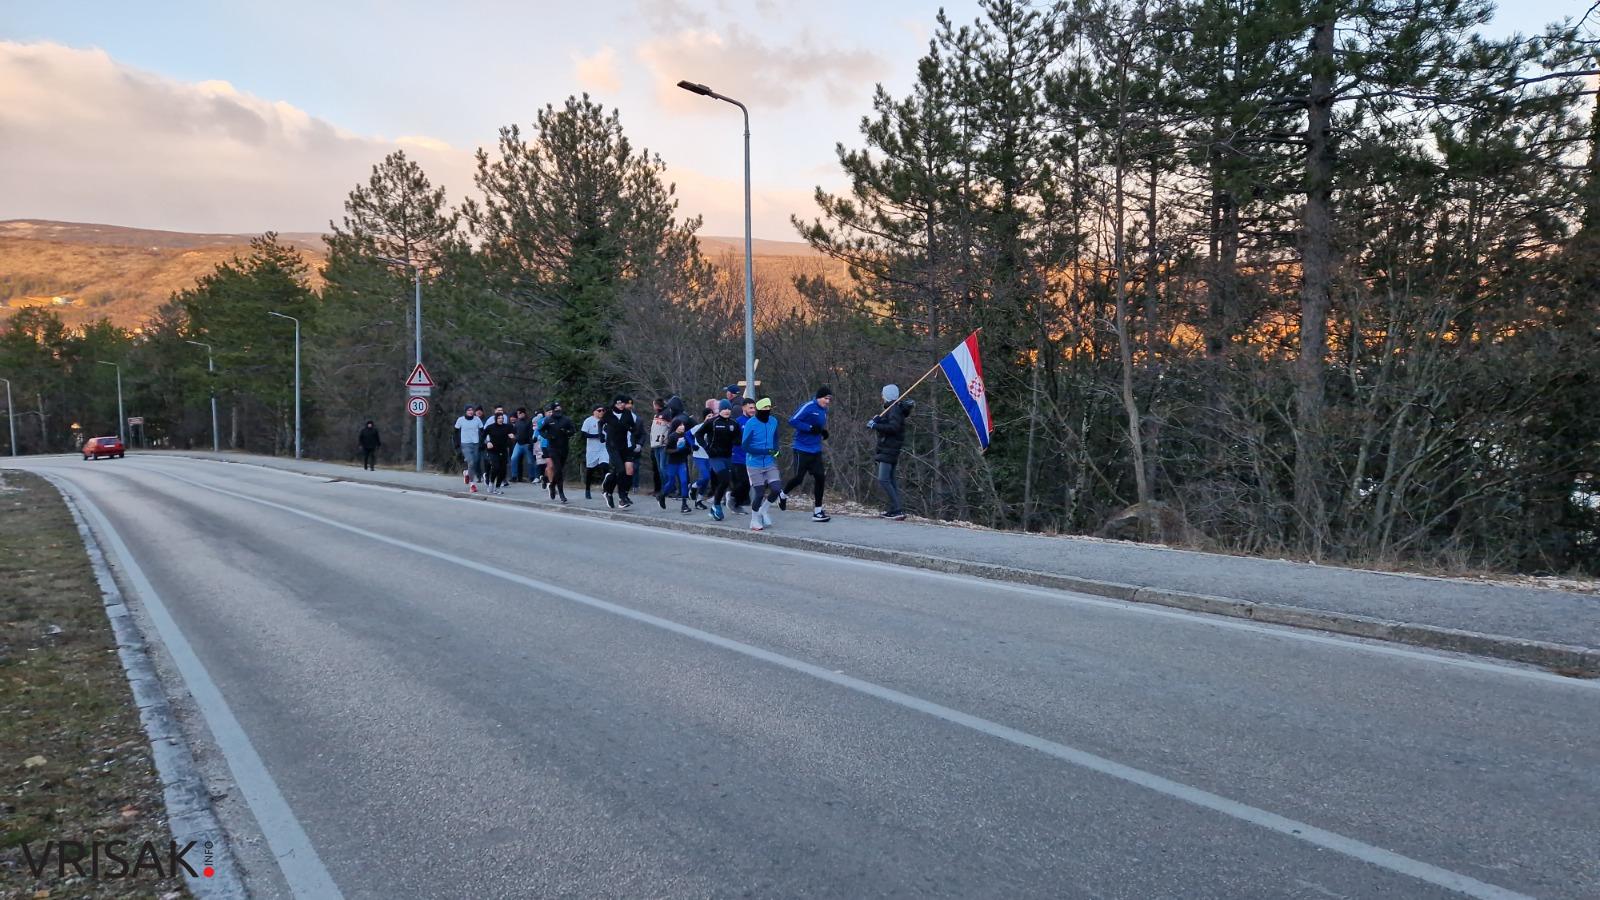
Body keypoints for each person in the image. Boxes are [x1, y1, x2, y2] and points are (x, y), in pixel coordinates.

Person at [781, 385, 833, 522]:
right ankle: (783, 494)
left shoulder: (824, 410)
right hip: (802, 449)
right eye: (826, 398)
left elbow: (817, 426)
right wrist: (809, 428)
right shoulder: (808, 406)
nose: (827, 401)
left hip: (815, 450)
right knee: (798, 478)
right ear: (819, 397)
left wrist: (822, 431)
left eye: (829, 399)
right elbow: (793, 421)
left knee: (820, 478)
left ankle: (817, 511)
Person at [867, 384, 914, 520]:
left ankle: (897, 509)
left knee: (883, 479)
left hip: (889, 448)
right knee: (891, 480)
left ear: (887, 395)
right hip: (890, 448)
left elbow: (893, 428)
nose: (881, 396)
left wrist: (875, 425)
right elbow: (891, 423)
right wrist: (879, 419)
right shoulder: (894, 409)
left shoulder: (894, 409)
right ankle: (894, 509)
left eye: (883, 394)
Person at [741, 397, 784, 531]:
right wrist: (764, 451)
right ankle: (754, 521)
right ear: (758, 409)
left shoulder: (773, 421)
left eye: (769, 408)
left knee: (776, 489)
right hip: (754, 463)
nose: (767, 410)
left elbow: (776, 438)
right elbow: (745, 446)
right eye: (764, 408)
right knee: (759, 493)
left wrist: (776, 451)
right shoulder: (751, 423)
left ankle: (763, 511)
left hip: (770, 462)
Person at [700, 400, 741, 521]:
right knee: (724, 479)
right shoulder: (712, 422)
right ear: (720, 410)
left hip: (728, 456)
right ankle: (716, 505)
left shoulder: (734, 423)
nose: (727, 411)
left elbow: (738, 437)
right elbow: (698, 434)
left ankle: (714, 505)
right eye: (724, 409)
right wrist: (706, 447)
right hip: (715, 456)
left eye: (728, 409)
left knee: (727, 482)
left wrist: (736, 441)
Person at [601, 394, 640, 508]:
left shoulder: (627, 414)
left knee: (628, 471)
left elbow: (634, 427)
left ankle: (612, 491)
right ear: (614, 404)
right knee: (621, 470)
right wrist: (601, 434)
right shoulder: (608, 413)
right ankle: (620, 497)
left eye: (623, 403)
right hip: (613, 446)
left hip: (626, 446)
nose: (621, 405)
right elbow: (601, 424)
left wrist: (632, 430)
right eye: (619, 403)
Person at [658, 396, 693, 513]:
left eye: (683, 425)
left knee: (683, 481)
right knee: (671, 482)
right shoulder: (672, 436)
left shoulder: (686, 435)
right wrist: (677, 450)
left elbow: (689, 448)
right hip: (673, 463)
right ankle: (662, 495)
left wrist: (689, 448)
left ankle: (684, 504)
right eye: (680, 425)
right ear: (676, 426)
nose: (682, 427)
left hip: (682, 462)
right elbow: (667, 450)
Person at [539, 401, 576, 502]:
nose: (558, 410)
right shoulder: (548, 420)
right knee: (558, 470)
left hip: (564, 447)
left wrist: (567, 432)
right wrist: (548, 436)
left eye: (559, 408)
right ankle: (561, 493)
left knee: (559, 471)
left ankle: (552, 485)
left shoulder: (566, 419)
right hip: (553, 448)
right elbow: (540, 430)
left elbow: (573, 430)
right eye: (556, 408)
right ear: (552, 410)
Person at [729, 397, 755, 513]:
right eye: (750, 408)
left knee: (749, 484)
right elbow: (730, 438)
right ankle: (732, 498)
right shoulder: (738, 422)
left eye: (754, 408)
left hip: (752, 458)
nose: (753, 410)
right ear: (743, 408)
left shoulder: (756, 421)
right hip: (738, 457)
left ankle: (735, 501)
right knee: (743, 482)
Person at [581, 403, 610, 500]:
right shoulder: (589, 421)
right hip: (592, 450)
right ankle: (587, 490)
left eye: (603, 410)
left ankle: (606, 488)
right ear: (594, 412)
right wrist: (597, 436)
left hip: (604, 448)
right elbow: (583, 434)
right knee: (590, 471)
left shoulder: (606, 420)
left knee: (605, 466)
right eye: (599, 410)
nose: (601, 412)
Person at [481, 411, 515, 494]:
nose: (501, 420)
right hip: (493, 450)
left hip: (503, 450)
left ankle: (497, 487)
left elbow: (514, 435)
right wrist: (487, 443)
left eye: (502, 418)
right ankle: (491, 483)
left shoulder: (507, 427)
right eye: (499, 418)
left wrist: (513, 437)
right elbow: (482, 437)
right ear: (496, 419)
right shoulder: (490, 427)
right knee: (496, 468)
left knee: (503, 470)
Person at [454, 405, 485, 487]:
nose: (470, 411)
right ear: (465, 412)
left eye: (472, 410)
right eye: (468, 410)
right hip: (465, 444)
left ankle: (467, 473)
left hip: (476, 443)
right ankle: (472, 483)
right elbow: (455, 432)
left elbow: (482, 432)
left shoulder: (477, 419)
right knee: (470, 462)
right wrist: (456, 443)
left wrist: (482, 442)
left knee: (474, 462)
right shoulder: (460, 420)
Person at [689, 408, 713, 509]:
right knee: (705, 476)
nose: (710, 418)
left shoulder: (715, 428)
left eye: (712, 416)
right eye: (708, 416)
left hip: (710, 456)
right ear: (704, 418)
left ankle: (699, 500)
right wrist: (692, 444)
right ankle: (693, 487)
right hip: (699, 456)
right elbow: (687, 435)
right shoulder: (698, 427)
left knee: (706, 479)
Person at [650, 399, 669, 497]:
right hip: (655, 444)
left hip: (662, 445)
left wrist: (667, 439)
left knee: (663, 467)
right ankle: (663, 488)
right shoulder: (656, 415)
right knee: (659, 468)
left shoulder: (666, 414)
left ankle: (668, 488)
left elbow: (671, 427)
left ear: (657, 405)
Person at [509, 408, 535, 482]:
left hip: (527, 443)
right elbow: (515, 431)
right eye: (518, 413)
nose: (518, 415)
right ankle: (514, 476)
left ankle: (532, 476)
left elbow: (531, 433)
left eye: (520, 413)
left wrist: (531, 443)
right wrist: (513, 436)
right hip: (518, 443)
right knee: (513, 458)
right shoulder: (517, 422)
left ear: (524, 413)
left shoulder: (529, 421)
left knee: (530, 461)